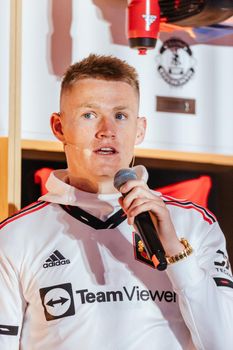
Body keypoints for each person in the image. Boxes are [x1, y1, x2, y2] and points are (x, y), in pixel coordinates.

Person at [0, 54, 232, 350]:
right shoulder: (16, 235)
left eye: (121, 115)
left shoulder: (194, 223)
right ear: (59, 128)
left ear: (140, 129)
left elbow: (224, 343)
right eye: (89, 115)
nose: (106, 130)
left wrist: (175, 252)